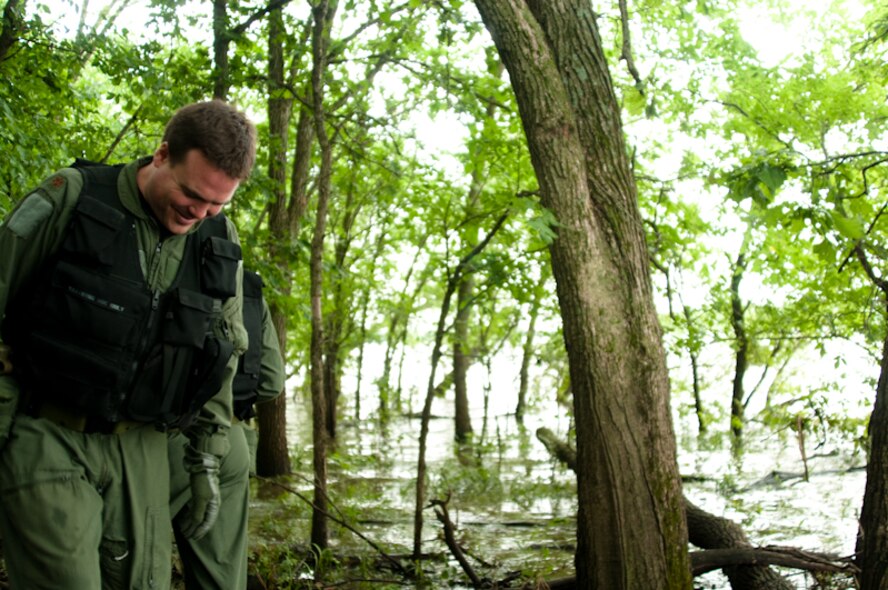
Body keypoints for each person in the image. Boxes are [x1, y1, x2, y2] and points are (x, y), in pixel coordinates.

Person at [0, 100, 256, 589]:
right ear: (162, 155)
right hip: (49, 431)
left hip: (143, 448)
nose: (199, 213)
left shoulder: (217, 242)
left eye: (216, 205)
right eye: (191, 194)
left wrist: (207, 459)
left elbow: (222, 355)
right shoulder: (70, 199)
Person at [168, 269, 285, 590]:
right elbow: (271, 383)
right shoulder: (247, 287)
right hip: (233, 444)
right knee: (220, 576)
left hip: (166, 439)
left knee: (128, 561)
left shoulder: (162, 268)